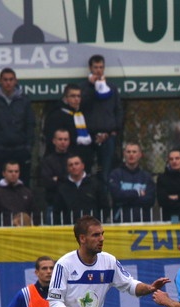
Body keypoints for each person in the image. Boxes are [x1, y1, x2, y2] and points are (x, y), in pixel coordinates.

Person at [0, 68, 36, 189]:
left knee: (23, 185)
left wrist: (28, 146)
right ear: (0, 81)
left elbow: (30, 124)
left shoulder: (24, 100)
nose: (8, 82)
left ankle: (23, 208)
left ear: (16, 81)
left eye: (11, 79)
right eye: (5, 80)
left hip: (21, 148)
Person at [81, 55, 123, 200]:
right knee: (85, 173)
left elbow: (118, 111)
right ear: (90, 68)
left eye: (101, 67)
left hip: (107, 137)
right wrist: (93, 88)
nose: (98, 70)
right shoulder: (83, 88)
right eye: (95, 67)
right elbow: (81, 106)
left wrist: (112, 131)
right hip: (87, 138)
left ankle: (105, 208)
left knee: (105, 174)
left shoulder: (111, 88)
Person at [42, 84, 91, 167]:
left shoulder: (81, 114)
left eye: (78, 96)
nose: (76, 99)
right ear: (65, 98)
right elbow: (50, 138)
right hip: (61, 161)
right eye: (73, 96)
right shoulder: (56, 114)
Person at [108, 142, 155, 223]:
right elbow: (116, 196)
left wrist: (126, 198)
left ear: (140, 154)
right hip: (121, 221)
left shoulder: (147, 177)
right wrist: (137, 193)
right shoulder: (115, 174)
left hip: (143, 222)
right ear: (124, 154)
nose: (131, 154)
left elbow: (150, 200)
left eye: (134, 152)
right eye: (128, 152)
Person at [40, 128, 73, 224]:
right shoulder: (47, 161)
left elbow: (75, 180)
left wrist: (58, 178)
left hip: (71, 205)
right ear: (54, 141)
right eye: (60, 139)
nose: (63, 142)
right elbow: (47, 182)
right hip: (53, 205)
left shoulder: (73, 159)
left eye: (65, 139)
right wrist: (66, 179)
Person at [57, 155, 103, 223]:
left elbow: (104, 206)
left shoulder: (94, 184)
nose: (74, 167)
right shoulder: (62, 188)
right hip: (70, 227)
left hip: (92, 227)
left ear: (82, 166)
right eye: (70, 165)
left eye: (76, 164)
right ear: (67, 168)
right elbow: (57, 211)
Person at [0, 160, 35, 226]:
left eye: (16, 171)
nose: (13, 174)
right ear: (3, 173)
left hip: (24, 231)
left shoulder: (27, 192)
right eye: (10, 171)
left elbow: (34, 215)